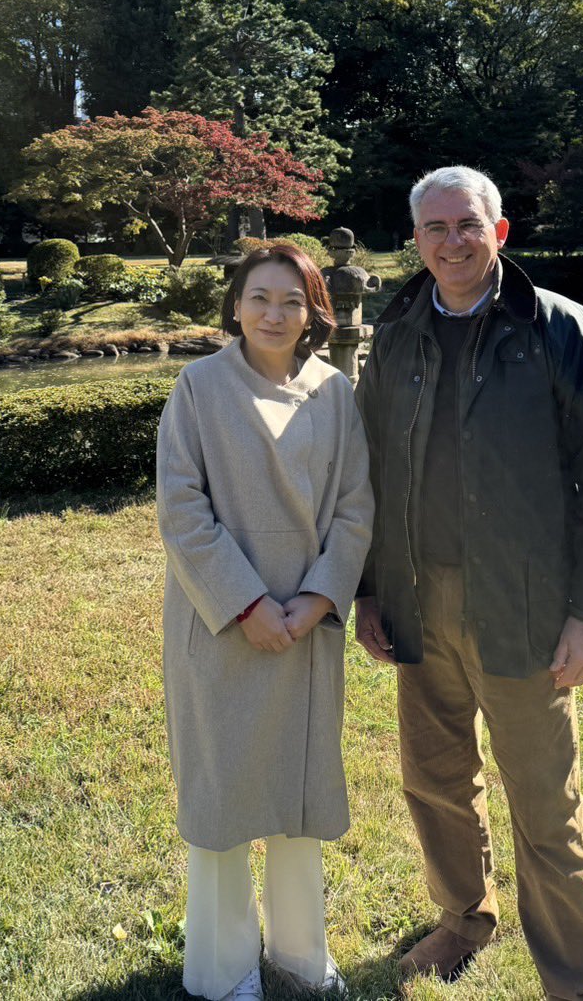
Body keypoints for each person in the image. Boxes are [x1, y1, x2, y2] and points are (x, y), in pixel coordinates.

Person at [355, 166, 583, 1001]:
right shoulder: (398, 331)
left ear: (499, 232)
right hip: (416, 597)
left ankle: (576, 981)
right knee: (435, 778)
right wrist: (370, 591)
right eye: (435, 228)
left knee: (544, 805)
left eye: (468, 225)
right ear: (416, 240)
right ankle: (463, 918)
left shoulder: (556, 327)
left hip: (523, 605)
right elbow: (369, 471)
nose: (452, 241)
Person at [156, 243, 374, 1001]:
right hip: (220, 624)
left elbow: (354, 507)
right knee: (221, 800)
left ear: (316, 310)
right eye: (259, 297)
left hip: (306, 624)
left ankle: (300, 953)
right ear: (235, 305)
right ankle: (223, 969)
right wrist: (245, 603)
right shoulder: (199, 386)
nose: (274, 314)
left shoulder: (336, 392)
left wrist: (318, 597)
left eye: (291, 300)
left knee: (297, 795)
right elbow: (182, 510)